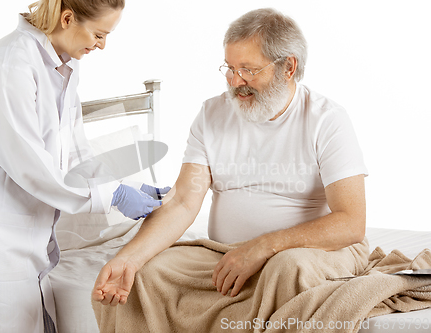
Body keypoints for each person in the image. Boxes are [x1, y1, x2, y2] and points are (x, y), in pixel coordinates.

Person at [91, 7, 368, 327]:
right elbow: (182, 202)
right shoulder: (211, 115)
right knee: (147, 274)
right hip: (225, 253)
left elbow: (351, 223)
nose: (235, 82)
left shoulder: (327, 120)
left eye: (248, 69)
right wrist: (128, 259)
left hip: (311, 253)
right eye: (229, 68)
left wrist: (263, 247)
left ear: (288, 67)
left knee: (287, 269)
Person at [0, 0, 169, 332]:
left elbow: (74, 155)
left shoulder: (63, 66)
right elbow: (34, 169)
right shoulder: (9, 68)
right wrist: (112, 196)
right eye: (99, 34)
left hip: (24, 237)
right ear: (68, 18)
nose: (102, 45)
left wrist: (119, 184)